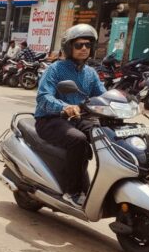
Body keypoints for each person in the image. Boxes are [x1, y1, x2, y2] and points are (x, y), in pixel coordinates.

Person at [34, 24, 106, 208]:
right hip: (50, 119)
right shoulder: (56, 69)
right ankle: (72, 192)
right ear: (69, 47)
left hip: (78, 119)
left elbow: (102, 96)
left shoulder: (90, 73)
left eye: (88, 45)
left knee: (104, 135)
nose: (84, 49)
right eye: (79, 45)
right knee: (78, 140)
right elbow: (43, 96)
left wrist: (127, 102)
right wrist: (64, 107)